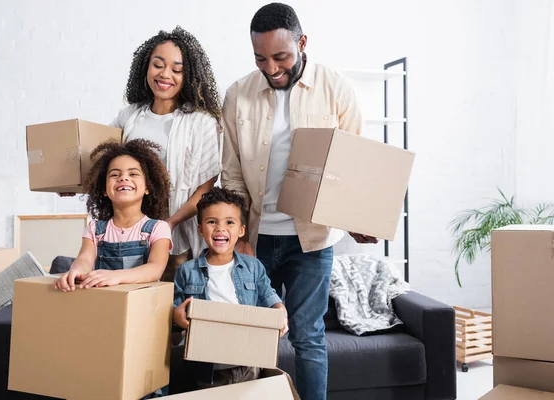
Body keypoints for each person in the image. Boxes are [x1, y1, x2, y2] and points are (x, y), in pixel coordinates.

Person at [221, 3, 377, 399]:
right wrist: (239, 235)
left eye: (281, 57)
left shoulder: (335, 87)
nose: (271, 68)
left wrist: (361, 219)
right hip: (256, 239)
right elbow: (233, 172)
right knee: (251, 339)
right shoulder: (238, 94)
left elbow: (356, 161)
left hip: (312, 239)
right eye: (260, 58)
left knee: (308, 337)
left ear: (302, 43)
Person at [59, 27, 222, 283]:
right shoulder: (130, 116)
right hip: (125, 232)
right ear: (146, 66)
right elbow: (105, 164)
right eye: (158, 65)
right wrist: (75, 184)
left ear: (188, 75)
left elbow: (205, 189)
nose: (165, 74)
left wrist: (170, 223)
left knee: (168, 310)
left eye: (176, 70)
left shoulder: (201, 123)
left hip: (173, 237)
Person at [173, 187, 288, 388]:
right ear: (200, 229)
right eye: (212, 222)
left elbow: (268, 294)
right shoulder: (186, 271)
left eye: (229, 222)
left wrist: (280, 311)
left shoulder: (252, 266)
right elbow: (175, 312)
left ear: (241, 230)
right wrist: (177, 318)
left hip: (248, 363)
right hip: (206, 367)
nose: (220, 228)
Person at [54, 139, 172, 292]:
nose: (123, 178)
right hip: (104, 305)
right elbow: (85, 259)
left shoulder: (158, 228)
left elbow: (155, 269)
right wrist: (76, 271)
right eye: (115, 174)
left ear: (147, 187)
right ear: (104, 189)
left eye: (133, 173)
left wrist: (116, 277)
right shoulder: (95, 229)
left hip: (141, 309)